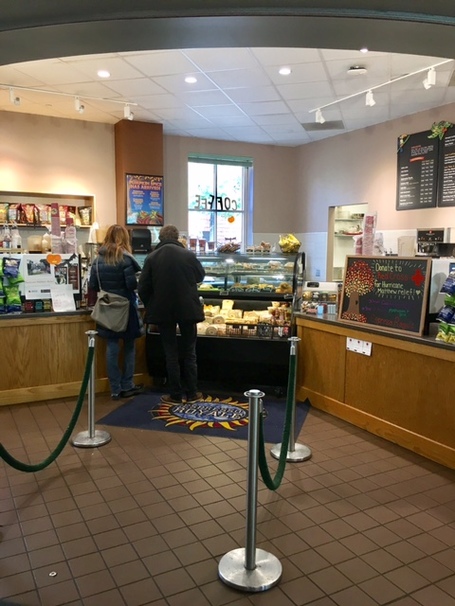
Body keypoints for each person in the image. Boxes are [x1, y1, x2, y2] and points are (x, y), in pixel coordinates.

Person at [138, 224, 205, 404]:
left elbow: (142, 287)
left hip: (163, 311)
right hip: (188, 310)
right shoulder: (188, 255)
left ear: (160, 238)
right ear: (176, 238)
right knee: (189, 352)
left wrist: (151, 304)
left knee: (170, 353)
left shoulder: (151, 257)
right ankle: (192, 392)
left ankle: (175, 394)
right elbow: (200, 276)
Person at [89, 224, 144, 400]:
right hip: (126, 307)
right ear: (124, 238)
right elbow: (131, 285)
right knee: (129, 346)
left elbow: (93, 285)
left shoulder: (97, 260)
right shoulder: (125, 259)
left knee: (111, 347)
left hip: (107, 307)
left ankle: (115, 389)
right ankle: (127, 385)